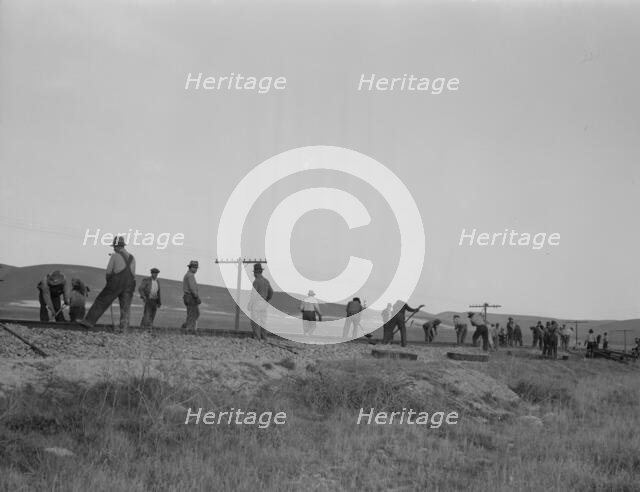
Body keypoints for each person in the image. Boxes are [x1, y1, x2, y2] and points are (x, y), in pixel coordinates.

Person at [78, 236, 136, 331]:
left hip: (116, 282)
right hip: (129, 284)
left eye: (114, 246)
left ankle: (89, 322)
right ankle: (124, 328)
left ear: (117, 246)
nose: (113, 248)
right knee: (125, 307)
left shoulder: (114, 255)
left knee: (102, 300)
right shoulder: (132, 257)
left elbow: (108, 272)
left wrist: (109, 284)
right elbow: (133, 274)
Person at [247, 262, 273, 341]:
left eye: (254, 272)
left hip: (257, 303)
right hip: (264, 304)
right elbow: (271, 292)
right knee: (263, 321)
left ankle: (257, 337)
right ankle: (264, 337)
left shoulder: (256, 282)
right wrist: (266, 300)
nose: (254, 274)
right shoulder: (266, 281)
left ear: (256, 272)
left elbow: (254, 295)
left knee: (255, 321)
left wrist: (250, 304)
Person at [181, 260, 201, 333]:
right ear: (190, 267)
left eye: (196, 268)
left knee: (193, 313)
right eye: (194, 267)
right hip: (191, 297)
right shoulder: (190, 275)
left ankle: (186, 327)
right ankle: (189, 329)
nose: (195, 269)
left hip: (187, 297)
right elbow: (192, 288)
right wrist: (197, 297)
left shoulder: (188, 275)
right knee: (194, 314)